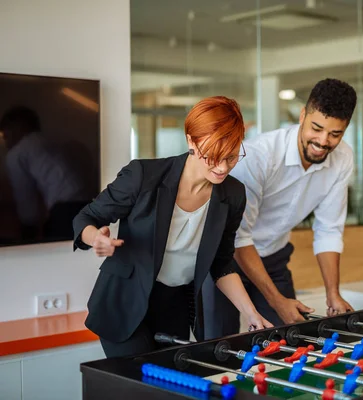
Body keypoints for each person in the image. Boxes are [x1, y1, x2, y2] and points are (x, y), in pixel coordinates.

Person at [72, 96, 272, 358]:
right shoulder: (143, 176)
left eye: (232, 156)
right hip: (123, 302)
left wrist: (251, 313)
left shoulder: (233, 194)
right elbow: (86, 218)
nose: (223, 167)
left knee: (167, 384)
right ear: (191, 140)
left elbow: (222, 263)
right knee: (140, 386)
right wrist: (95, 237)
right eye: (213, 156)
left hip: (175, 305)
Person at [201, 78, 357, 338]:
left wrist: (333, 295)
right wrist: (276, 301)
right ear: (302, 115)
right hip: (225, 260)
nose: (322, 141)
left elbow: (329, 229)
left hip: (273, 256)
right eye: (316, 128)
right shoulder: (258, 157)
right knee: (218, 345)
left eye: (335, 134)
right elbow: (240, 237)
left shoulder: (343, 159)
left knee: (290, 340)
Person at [0, 106, 90, 241]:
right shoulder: (50, 140)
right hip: (90, 205)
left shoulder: (18, 153)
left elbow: (26, 204)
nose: (4, 139)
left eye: (5, 133)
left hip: (65, 211)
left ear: (18, 128)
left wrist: (26, 237)